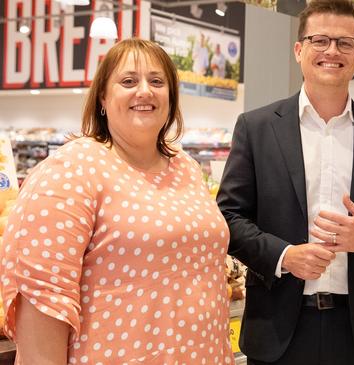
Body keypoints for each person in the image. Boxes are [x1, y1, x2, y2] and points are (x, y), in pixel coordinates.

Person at [0, 38, 234, 364]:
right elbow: (43, 297)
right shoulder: (73, 169)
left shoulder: (186, 167)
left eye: (156, 81)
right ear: (103, 98)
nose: (144, 91)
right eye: (128, 81)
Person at [216, 1, 354, 364]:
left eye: (344, 42)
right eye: (320, 40)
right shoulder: (257, 128)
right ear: (299, 50)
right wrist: (284, 255)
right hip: (277, 329)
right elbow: (228, 218)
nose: (332, 51)